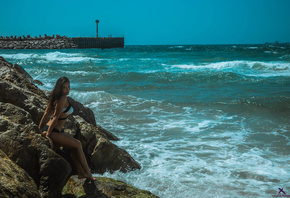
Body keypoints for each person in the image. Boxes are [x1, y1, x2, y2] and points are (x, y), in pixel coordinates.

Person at [38, 77, 95, 181]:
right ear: (60, 88)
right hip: (53, 131)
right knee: (78, 144)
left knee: (73, 148)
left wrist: (40, 129)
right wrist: (48, 135)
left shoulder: (55, 97)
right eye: (65, 87)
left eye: (68, 87)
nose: (67, 89)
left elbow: (46, 114)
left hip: (49, 128)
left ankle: (81, 173)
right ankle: (87, 173)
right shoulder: (63, 98)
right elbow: (55, 117)